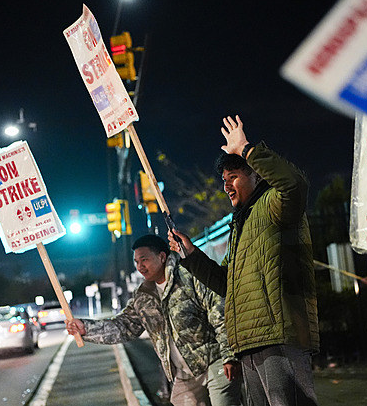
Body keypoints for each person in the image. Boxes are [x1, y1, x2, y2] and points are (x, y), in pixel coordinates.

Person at [168, 115, 319, 406]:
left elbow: (294, 184)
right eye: (224, 180)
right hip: (249, 341)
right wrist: (190, 255)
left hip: (279, 336)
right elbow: (227, 285)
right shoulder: (241, 224)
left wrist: (247, 149)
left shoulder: (274, 205)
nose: (226, 186)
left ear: (257, 175)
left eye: (233, 176)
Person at [65, 234, 242, 406]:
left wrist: (229, 355)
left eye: (144, 260)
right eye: (136, 262)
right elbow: (123, 326)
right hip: (184, 373)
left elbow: (219, 311)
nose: (140, 266)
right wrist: (85, 328)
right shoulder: (143, 296)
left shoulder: (189, 275)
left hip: (215, 362)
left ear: (162, 256)